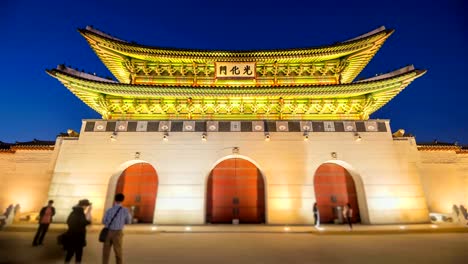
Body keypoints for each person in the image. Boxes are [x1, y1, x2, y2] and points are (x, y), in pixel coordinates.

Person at [102, 193, 132, 264]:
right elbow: (128, 221)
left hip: (108, 232)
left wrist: (109, 224)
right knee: (118, 252)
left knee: (106, 252)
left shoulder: (109, 210)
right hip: (118, 232)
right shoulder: (125, 210)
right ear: (123, 200)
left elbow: (103, 221)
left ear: (115, 200)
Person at [64, 199, 92, 264]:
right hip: (78, 237)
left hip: (72, 235)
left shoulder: (73, 212)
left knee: (70, 253)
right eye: (86, 206)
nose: (86, 207)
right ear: (84, 206)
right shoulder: (80, 213)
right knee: (78, 254)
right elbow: (85, 222)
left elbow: (68, 221)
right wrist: (89, 212)